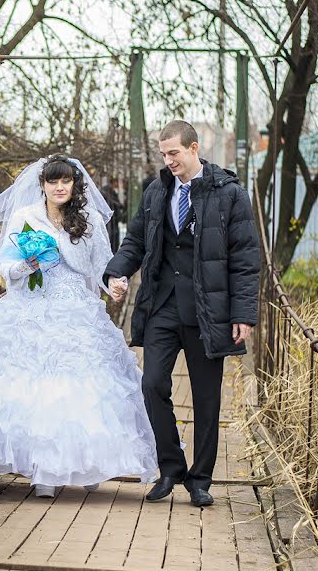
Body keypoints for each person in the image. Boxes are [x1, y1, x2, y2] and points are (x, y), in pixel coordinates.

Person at [0, 154, 158, 497]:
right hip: (30, 311)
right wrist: (28, 265)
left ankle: (86, 463)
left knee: (81, 389)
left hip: (76, 311)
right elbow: (6, 267)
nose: (60, 187)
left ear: (75, 185)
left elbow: (102, 267)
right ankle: (43, 473)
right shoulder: (25, 218)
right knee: (33, 387)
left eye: (66, 181)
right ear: (43, 185)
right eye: (53, 181)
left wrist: (116, 285)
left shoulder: (89, 220)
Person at [104, 120, 259, 507]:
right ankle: (170, 467)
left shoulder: (230, 195)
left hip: (209, 310)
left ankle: (200, 479)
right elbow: (136, 238)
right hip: (162, 307)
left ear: (193, 148)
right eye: (163, 154)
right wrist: (117, 271)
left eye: (173, 152)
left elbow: (245, 258)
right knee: (152, 384)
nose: (168, 160)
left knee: (207, 398)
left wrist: (243, 313)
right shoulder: (157, 191)